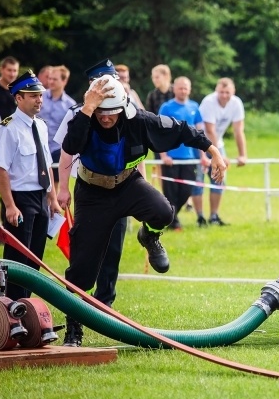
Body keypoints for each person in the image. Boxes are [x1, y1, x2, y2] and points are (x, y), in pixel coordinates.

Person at [59, 58, 228, 347]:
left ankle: (149, 237)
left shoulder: (139, 119)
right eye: (102, 112)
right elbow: (70, 146)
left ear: (123, 108)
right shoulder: (83, 118)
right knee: (82, 271)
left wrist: (214, 151)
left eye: (112, 113)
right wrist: (89, 109)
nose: (107, 118)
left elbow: (183, 129)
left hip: (127, 184)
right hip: (92, 193)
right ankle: (73, 330)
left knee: (163, 210)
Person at [54, 63, 143, 315]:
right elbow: (66, 153)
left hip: (123, 186)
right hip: (91, 190)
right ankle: (79, 306)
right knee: (86, 249)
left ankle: (105, 303)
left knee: (114, 247)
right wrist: (63, 188)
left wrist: (142, 185)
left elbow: (138, 154)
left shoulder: (129, 112)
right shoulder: (76, 114)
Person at [0, 71, 62, 301]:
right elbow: (1, 170)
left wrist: (51, 198)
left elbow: (46, 163)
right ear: (18, 98)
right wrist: (10, 206)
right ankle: (11, 307)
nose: (39, 100)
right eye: (33, 96)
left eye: (40, 95)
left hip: (41, 196)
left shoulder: (40, 125)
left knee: (35, 259)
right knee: (18, 258)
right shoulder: (7, 129)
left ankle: (27, 304)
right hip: (20, 199)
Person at [193, 77, 248, 226]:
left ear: (233, 91)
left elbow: (238, 130)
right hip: (200, 143)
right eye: (221, 92)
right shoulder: (209, 102)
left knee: (219, 179)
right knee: (198, 179)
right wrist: (221, 156)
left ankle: (214, 216)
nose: (224, 95)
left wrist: (243, 154)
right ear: (216, 91)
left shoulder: (236, 103)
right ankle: (200, 217)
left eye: (227, 92)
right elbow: (209, 131)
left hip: (218, 143)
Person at [158, 76, 204, 230]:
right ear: (174, 89)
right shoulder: (166, 107)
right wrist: (163, 155)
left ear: (189, 89)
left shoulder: (194, 107)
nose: (183, 90)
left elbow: (199, 134)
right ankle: (173, 222)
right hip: (171, 157)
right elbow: (160, 132)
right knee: (170, 192)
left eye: (186, 88)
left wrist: (203, 155)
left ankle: (167, 218)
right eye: (180, 88)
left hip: (189, 157)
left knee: (186, 190)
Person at [41, 65, 76, 182]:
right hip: (38, 145)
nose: (50, 81)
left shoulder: (70, 105)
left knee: (55, 182)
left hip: (57, 148)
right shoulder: (39, 97)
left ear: (64, 81)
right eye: (49, 78)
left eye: (54, 79)